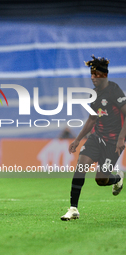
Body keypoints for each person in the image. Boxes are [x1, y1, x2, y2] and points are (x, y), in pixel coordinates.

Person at [61, 55, 126, 221]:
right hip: (96, 137)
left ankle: (117, 177)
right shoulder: (95, 94)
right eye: (91, 74)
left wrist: (121, 139)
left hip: (113, 142)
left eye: (96, 74)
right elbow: (91, 119)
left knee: (101, 179)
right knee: (80, 167)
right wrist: (77, 139)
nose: (93, 77)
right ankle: (73, 208)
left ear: (104, 75)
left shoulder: (115, 90)